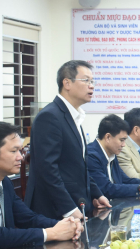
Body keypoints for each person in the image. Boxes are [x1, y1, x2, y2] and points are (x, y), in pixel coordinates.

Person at [25, 60, 111, 220]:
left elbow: (79, 165)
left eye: (92, 81)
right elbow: (47, 169)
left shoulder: (74, 116)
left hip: (77, 204)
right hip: (54, 211)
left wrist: (97, 194)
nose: (91, 86)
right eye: (86, 80)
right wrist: (69, 209)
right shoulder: (50, 116)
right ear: (67, 83)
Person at [87, 114, 140, 199]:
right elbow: (106, 189)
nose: (124, 145)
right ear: (108, 137)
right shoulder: (91, 156)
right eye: (121, 140)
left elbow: (125, 180)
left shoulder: (112, 153)